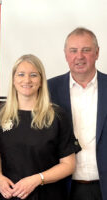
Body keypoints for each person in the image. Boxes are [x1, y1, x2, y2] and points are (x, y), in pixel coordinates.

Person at [0, 54, 81, 200]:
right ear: (13, 80)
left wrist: (37, 179)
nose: (27, 80)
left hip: (48, 195)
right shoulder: (1, 114)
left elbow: (68, 165)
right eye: (21, 74)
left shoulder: (56, 116)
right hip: (9, 195)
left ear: (41, 81)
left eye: (33, 75)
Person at [48, 27, 107, 200]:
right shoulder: (48, 90)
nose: (79, 56)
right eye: (73, 51)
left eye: (86, 50)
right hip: (63, 188)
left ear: (97, 53)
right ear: (66, 55)